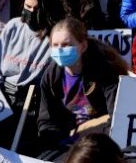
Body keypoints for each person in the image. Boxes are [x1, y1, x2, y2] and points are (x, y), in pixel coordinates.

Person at [0, 0, 64, 153]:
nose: (29, 12)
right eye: (27, 7)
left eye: (35, 9)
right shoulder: (14, 26)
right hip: (4, 98)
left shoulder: (56, 36)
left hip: (33, 106)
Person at [37, 17, 128, 160]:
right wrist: (54, 141)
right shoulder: (51, 75)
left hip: (97, 146)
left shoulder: (105, 72)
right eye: (55, 45)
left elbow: (116, 120)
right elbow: (47, 120)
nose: (60, 50)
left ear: (83, 46)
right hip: (65, 144)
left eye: (66, 45)